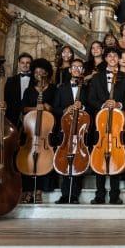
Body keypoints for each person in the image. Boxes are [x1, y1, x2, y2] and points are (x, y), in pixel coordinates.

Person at [88, 47, 125, 205]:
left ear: (119, 59)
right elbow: (90, 99)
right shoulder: (96, 78)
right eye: (110, 55)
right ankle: (99, 194)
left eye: (115, 55)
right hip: (100, 124)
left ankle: (115, 195)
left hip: (117, 126)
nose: (113, 58)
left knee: (116, 157)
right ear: (106, 58)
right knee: (99, 157)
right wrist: (103, 104)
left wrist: (118, 104)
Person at [52, 59, 89, 204]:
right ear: (69, 70)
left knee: (78, 161)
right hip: (65, 130)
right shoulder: (61, 88)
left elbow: (92, 106)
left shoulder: (87, 88)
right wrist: (66, 109)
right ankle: (64, 194)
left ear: (83, 71)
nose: (76, 69)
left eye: (80, 67)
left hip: (80, 130)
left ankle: (74, 195)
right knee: (65, 162)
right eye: (74, 67)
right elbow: (55, 108)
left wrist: (83, 107)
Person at [20, 58, 57, 204]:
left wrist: (49, 107)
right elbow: (23, 108)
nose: (38, 74)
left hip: (46, 131)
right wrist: (36, 108)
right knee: (27, 158)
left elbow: (57, 107)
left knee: (44, 160)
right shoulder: (29, 90)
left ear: (47, 73)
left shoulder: (54, 89)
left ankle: (39, 191)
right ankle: (28, 190)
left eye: (41, 71)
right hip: (31, 130)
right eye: (36, 72)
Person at [5, 52, 33, 126]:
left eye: (28, 63)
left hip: (31, 117)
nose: (25, 65)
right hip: (12, 117)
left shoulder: (35, 81)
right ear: (19, 64)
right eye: (22, 63)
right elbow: (6, 99)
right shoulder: (10, 80)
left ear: (31, 64)